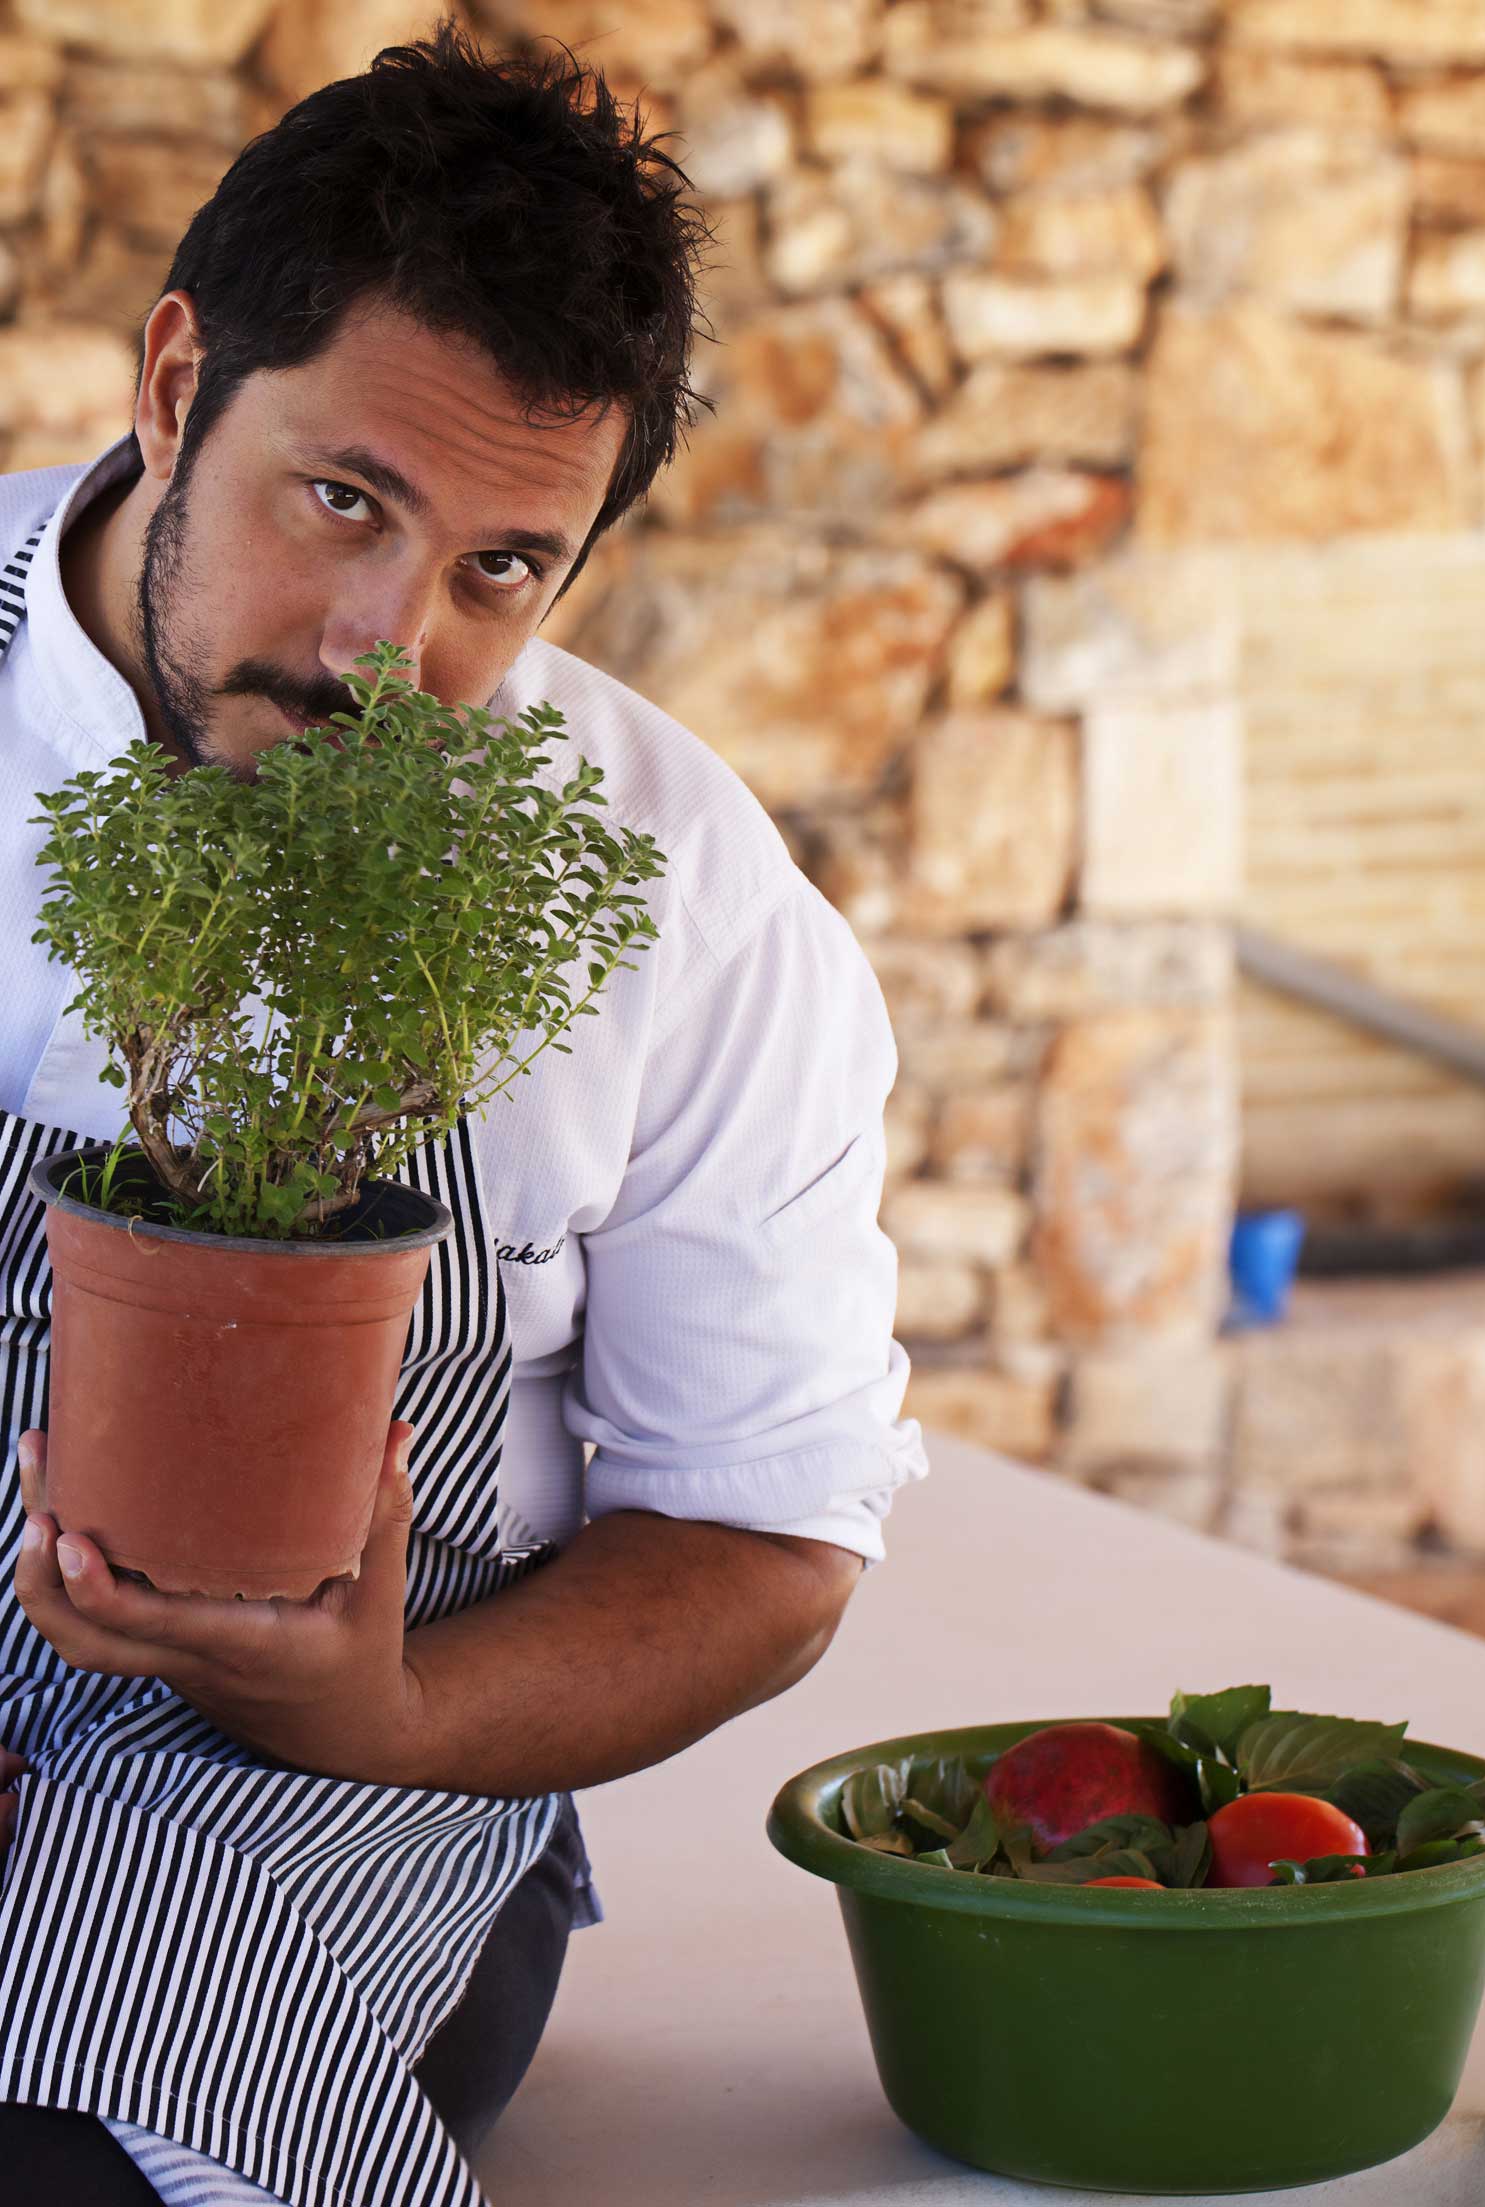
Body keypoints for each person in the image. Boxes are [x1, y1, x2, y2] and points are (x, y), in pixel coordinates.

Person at [0, 21, 926, 2207]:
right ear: (170, 381)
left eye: (504, 569)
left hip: (308, 1798)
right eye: (344, 499)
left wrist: (392, 1721)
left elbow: (766, 1534)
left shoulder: (686, 900)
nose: (380, 644)